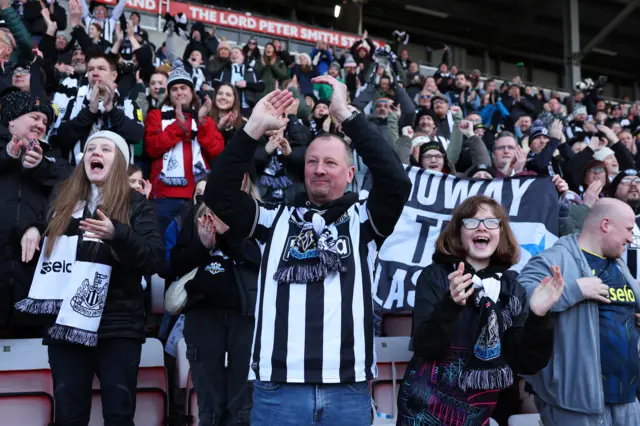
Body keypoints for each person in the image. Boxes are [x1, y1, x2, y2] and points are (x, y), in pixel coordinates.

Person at [203, 76, 411, 425]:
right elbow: (219, 193)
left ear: (349, 174)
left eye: (330, 163)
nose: (319, 169)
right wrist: (252, 128)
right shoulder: (273, 218)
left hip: (348, 388)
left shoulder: (363, 221)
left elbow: (396, 181)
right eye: (312, 161)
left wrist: (347, 117)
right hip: (279, 389)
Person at [15, 130, 163, 425]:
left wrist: (117, 234)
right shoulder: (62, 199)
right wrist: (34, 228)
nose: (96, 152)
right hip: (65, 325)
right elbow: (45, 228)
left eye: (106, 149)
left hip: (117, 325)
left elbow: (154, 257)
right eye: (91, 148)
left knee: (119, 415)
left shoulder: (136, 204)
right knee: (69, 416)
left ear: (120, 162)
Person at [397, 195, 561, 426]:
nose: (482, 227)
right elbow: (425, 346)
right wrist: (451, 304)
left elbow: (527, 362)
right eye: (471, 222)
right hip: (424, 407)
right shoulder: (436, 276)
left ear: (500, 233)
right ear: (459, 233)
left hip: (482, 410)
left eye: (491, 222)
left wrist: (539, 316)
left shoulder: (511, 288)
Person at [518, 198, 640, 425]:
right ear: (606, 224)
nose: (630, 238)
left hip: (628, 400)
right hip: (575, 405)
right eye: (629, 230)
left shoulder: (619, 265)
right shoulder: (556, 258)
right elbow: (522, 298)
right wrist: (574, 290)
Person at [172, 174, 260, 426]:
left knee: (241, 402)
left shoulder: (259, 217)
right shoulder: (197, 214)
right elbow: (175, 265)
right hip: (202, 314)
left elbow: (261, 261)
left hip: (245, 315)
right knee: (209, 403)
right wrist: (202, 245)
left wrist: (228, 236)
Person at [0, 91, 71, 336]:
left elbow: (71, 190)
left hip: (32, 269)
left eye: (45, 122)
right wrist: (9, 156)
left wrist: (41, 167)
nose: (41, 124)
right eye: (35, 117)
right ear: (12, 121)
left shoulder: (53, 158)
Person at [144, 59, 224, 237]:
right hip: (164, 197)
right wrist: (179, 126)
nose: (179, 92)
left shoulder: (205, 119)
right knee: (162, 250)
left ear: (191, 92)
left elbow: (216, 151)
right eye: (174, 88)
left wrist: (202, 122)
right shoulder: (156, 115)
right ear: (169, 93)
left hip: (198, 196)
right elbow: (151, 148)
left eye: (183, 88)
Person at [52, 53, 144, 165]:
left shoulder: (129, 105)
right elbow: (62, 136)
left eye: (101, 69)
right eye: (90, 69)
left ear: (114, 75)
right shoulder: (73, 102)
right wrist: (89, 112)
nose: (95, 73)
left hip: (117, 178)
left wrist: (112, 111)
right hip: (80, 175)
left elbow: (136, 136)